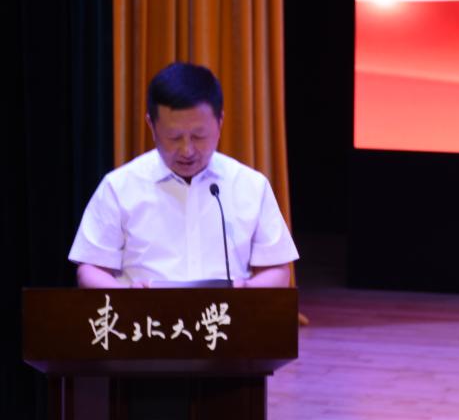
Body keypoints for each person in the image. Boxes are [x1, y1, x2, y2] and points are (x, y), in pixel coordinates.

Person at [69, 62, 298, 288]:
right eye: (174, 137)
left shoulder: (251, 185)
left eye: (199, 136)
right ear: (151, 125)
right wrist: (128, 294)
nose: (187, 150)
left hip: (227, 312)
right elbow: (90, 268)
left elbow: (277, 269)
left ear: (220, 123)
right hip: (146, 312)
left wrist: (246, 290)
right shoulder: (119, 186)